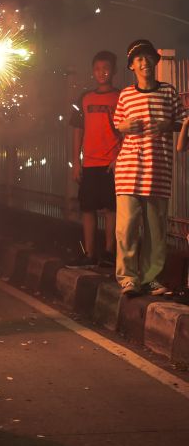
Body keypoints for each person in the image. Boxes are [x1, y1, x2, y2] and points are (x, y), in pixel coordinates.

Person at [115, 39, 184, 296]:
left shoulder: (169, 92)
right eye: (139, 59)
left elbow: (181, 123)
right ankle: (128, 278)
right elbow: (117, 125)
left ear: (156, 61)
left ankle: (151, 277)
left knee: (156, 229)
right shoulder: (126, 95)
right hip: (128, 171)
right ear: (132, 66)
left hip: (159, 170)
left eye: (148, 58)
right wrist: (122, 127)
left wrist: (167, 126)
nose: (144, 63)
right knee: (127, 228)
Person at [70, 50, 122, 268]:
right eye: (98, 69)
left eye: (106, 68)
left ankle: (109, 253)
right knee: (88, 209)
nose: (102, 73)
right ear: (93, 72)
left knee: (111, 209)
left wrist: (119, 157)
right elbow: (77, 131)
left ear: (114, 71)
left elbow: (126, 131)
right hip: (89, 162)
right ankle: (89, 254)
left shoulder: (121, 97)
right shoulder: (85, 98)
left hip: (111, 163)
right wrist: (76, 162)